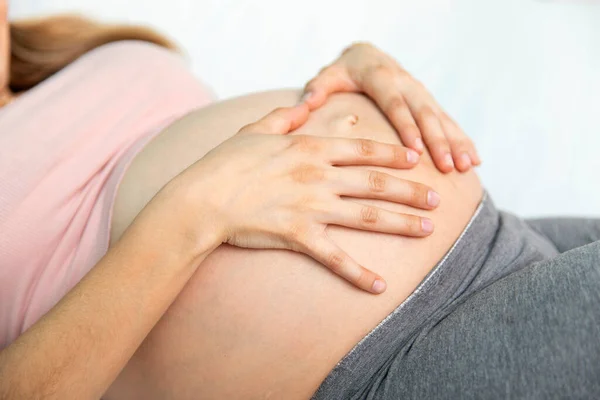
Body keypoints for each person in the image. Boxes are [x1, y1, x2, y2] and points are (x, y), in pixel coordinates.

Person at [1, 6, 599, 400]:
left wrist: (344, 76)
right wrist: (194, 208)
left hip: (506, 237)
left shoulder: (66, 55)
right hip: (387, 364)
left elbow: (245, 151)